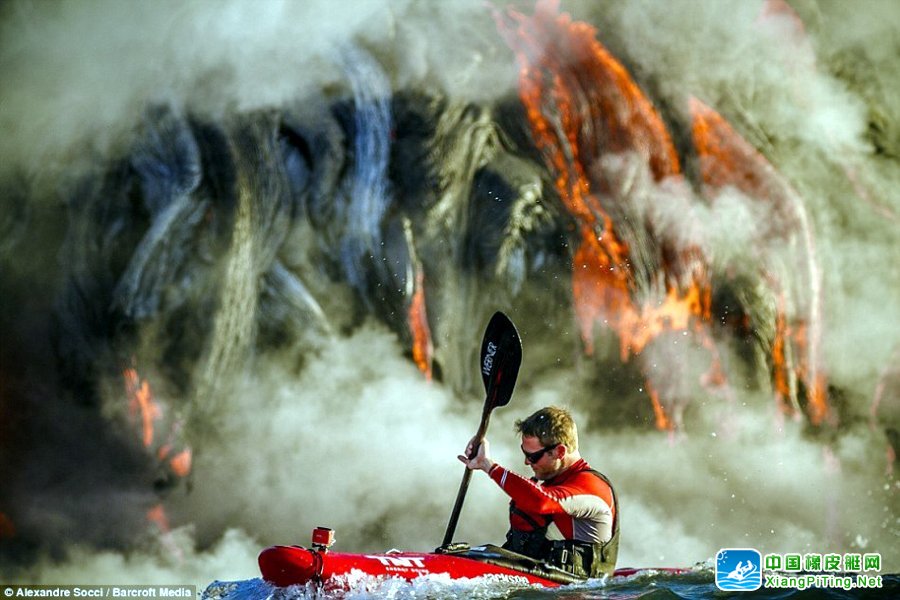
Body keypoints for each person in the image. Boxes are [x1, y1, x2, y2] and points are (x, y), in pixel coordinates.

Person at [458, 406, 619, 577]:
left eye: (533, 456)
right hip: (544, 582)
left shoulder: (592, 487)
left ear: (560, 451)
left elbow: (542, 502)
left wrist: (488, 466)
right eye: (524, 453)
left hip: (578, 590)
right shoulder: (554, 482)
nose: (527, 462)